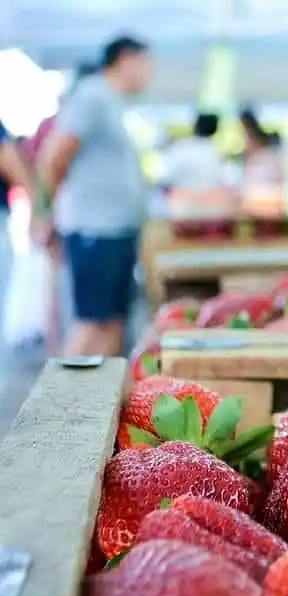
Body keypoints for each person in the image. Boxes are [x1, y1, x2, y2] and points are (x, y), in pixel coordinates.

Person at [38, 36, 151, 357]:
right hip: (93, 230)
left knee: (112, 322)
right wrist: (49, 215)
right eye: (146, 64)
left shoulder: (112, 101)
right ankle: (59, 405)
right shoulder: (92, 95)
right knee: (91, 323)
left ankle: (105, 404)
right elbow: (53, 158)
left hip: (115, 230)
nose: (149, 74)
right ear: (126, 59)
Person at [160, 112, 226, 191]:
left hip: (181, 199)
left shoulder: (181, 148)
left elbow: (166, 178)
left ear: (196, 126)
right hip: (208, 199)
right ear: (215, 130)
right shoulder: (215, 154)